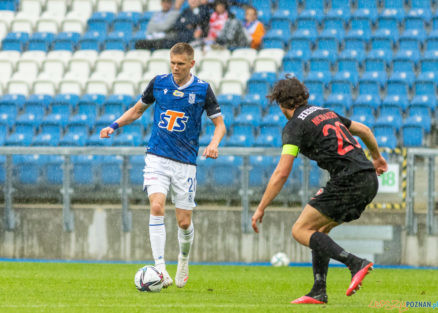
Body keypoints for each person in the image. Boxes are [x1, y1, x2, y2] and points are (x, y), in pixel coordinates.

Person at [251, 76, 388, 304]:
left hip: (349, 180)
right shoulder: (325, 112)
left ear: (281, 105)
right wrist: (377, 157)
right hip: (367, 178)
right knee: (319, 229)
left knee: (300, 230)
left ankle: (355, 263)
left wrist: (261, 207)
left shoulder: (294, 126)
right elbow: (363, 130)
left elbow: (282, 172)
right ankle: (318, 291)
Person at [100, 42, 226, 288]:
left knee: (184, 222)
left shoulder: (202, 89)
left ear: (192, 63)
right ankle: (160, 269)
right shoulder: (159, 82)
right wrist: (113, 125)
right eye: (172, 63)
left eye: (180, 64)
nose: (176, 68)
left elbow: (220, 124)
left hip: (185, 163)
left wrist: (214, 143)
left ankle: (183, 259)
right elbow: (137, 111)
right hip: (156, 156)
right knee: (156, 206)